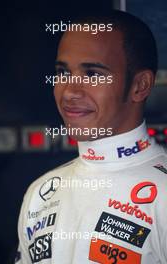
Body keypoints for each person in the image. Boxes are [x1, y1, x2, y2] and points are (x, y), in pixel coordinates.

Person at [15, 10, 167, 264]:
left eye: (93, 75)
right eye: (63, 73)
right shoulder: (40, 192)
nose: (70, 92)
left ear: (140, 85)